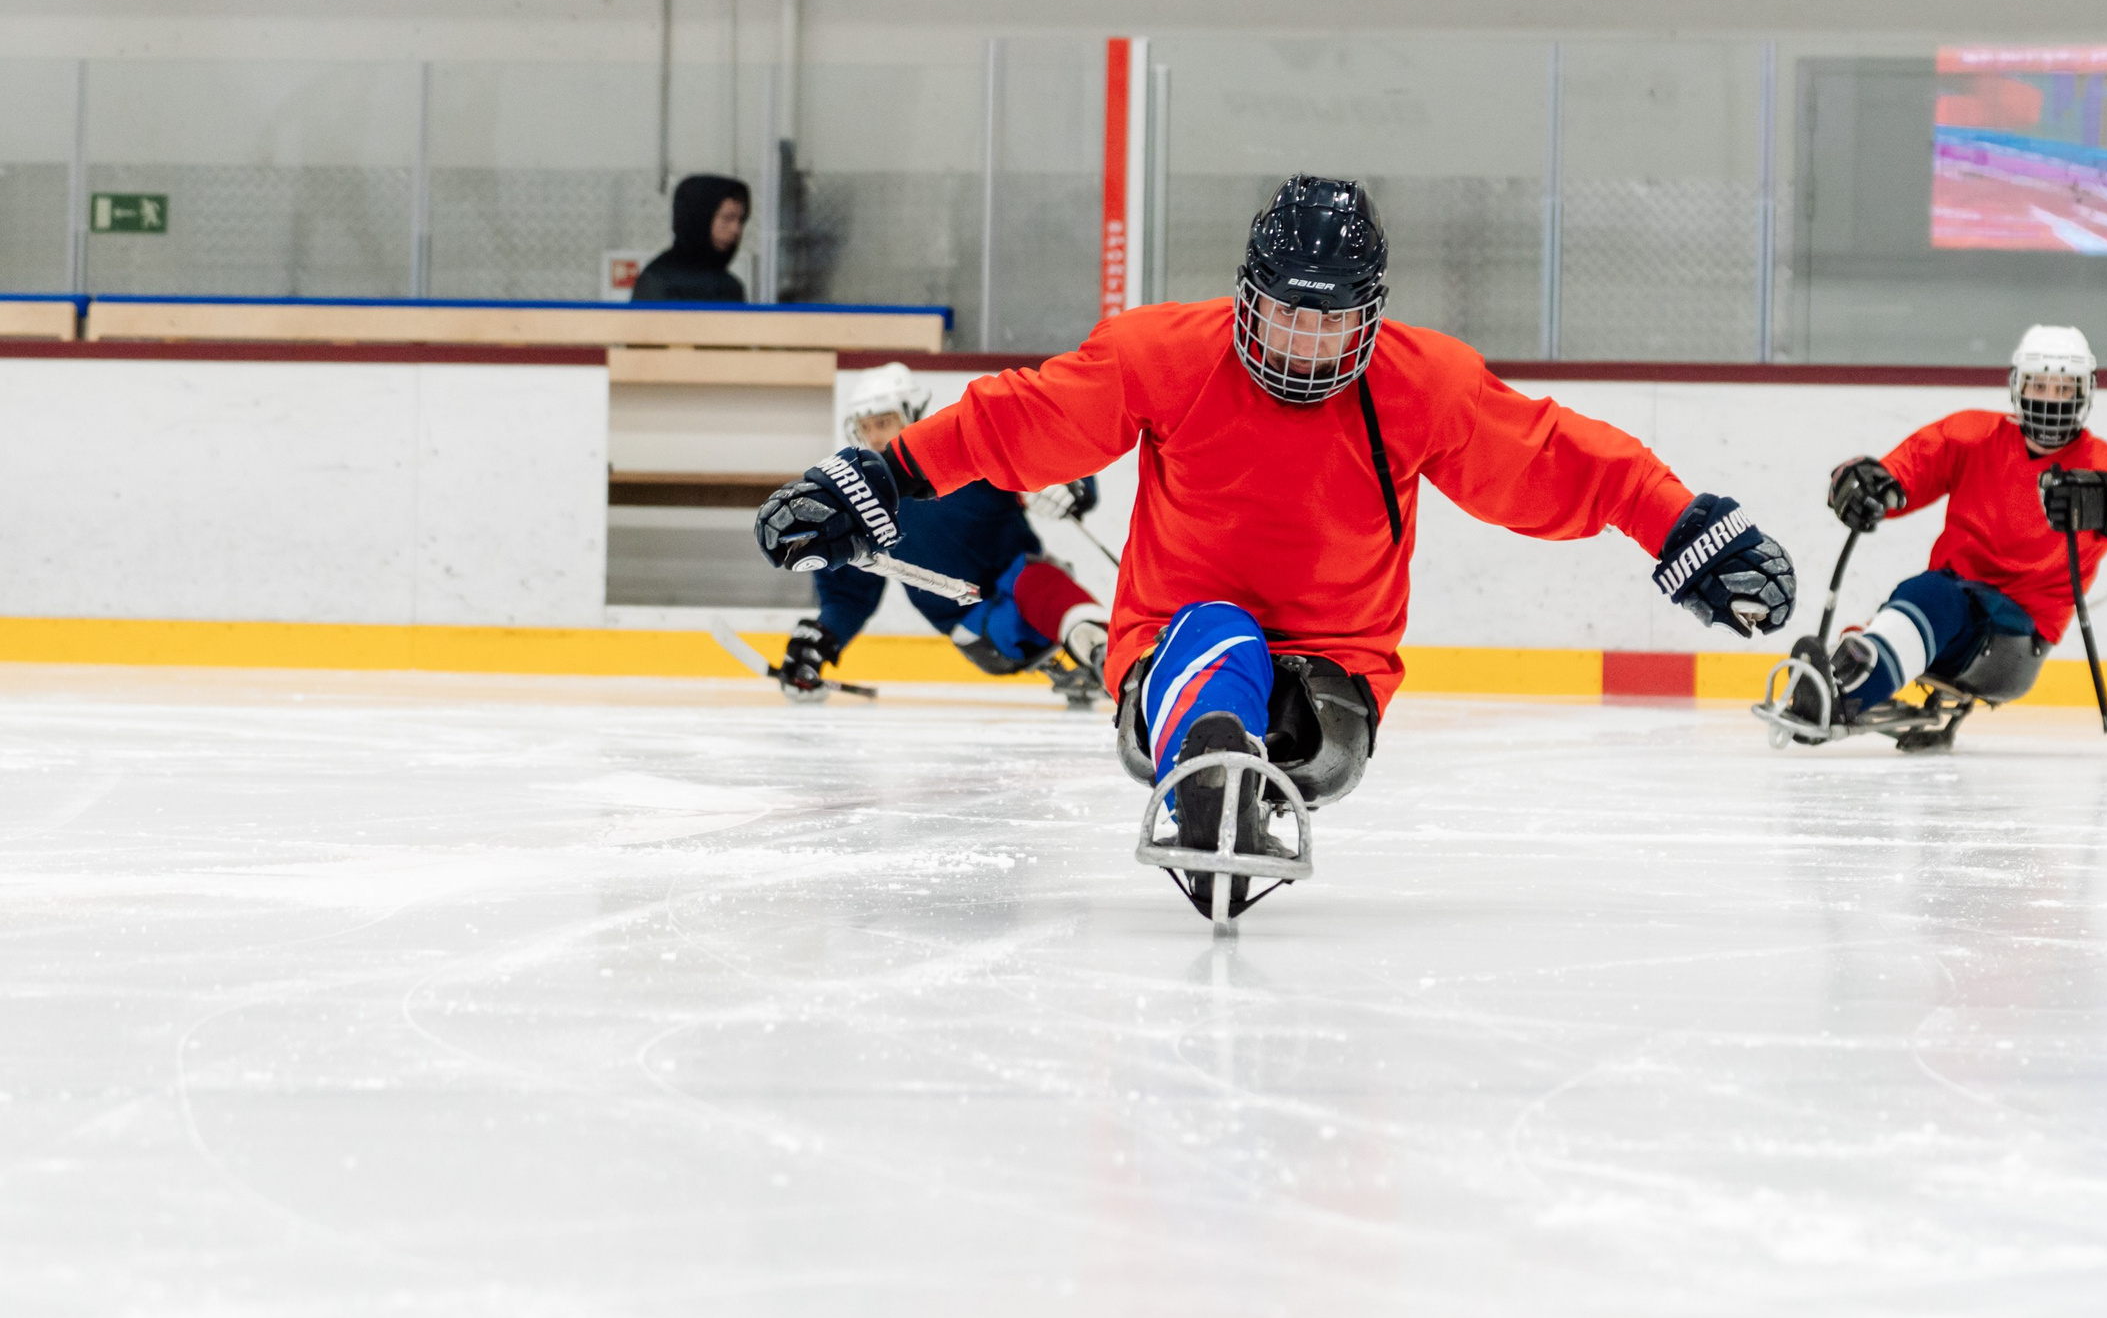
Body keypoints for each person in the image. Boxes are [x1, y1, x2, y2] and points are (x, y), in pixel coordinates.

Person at [751, 174, 1796, 918]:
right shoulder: (1166, 355)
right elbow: (1020, 418)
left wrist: (1684, 526)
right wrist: (880, 479)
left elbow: (1554, 456)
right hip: (1176, 647)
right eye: (1286, 317)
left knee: (1283, 691)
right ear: (1247, 295)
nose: (1304, 344)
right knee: (1220, 634)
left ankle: (1231, 763)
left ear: (1369, 319)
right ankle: (1208, 761)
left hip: (1340, 674)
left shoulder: (1421, 384)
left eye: (1330, 324)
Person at [1784, 323, 2107, 747]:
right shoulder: (1972, 436)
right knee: (1926, 599)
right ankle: (1857, 661)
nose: (2049, 400)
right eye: (2038, 384)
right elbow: (1906, 473)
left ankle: (1846, 692)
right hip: (1949, 609)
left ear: (2085, 392)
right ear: (2016, 386)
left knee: (1933, 596)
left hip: (2016, 642)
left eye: (2063, 389)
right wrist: (1868, 483)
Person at [775, 361, 1111, 706]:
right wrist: (818, 643)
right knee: (1035, 588)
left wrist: (1074, 485)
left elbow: (1050, 459)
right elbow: (850, 596)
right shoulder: (862, 502)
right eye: (865, 427)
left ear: (913, 415)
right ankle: (1105, 650)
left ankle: (1107, 651)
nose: (874, 437)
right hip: (976, 628)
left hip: (1026, 589)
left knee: (1035, 582)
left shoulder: (965, 451)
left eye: (883, 422)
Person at [632, 174, 752, 304]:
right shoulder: (658, 281)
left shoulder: (731, 286)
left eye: (741, 220)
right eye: (727, 218)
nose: (736, 229)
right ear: (699, 219)